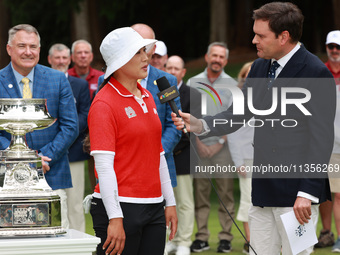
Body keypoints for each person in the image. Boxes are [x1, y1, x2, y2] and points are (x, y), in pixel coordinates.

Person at [171, 2, 336, 255]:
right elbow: (239, 112)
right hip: (262, 188)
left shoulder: (315, 72)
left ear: (284, 37)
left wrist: (306, 192)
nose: (253, 40)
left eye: (261, 35)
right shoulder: (260, 67)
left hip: (297, 195)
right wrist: (203, 124)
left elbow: (321, 139)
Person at [85, 27, 177, 255]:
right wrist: (115, 218)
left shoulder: (147, 95)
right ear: (119, 60)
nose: (146, 58)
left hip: (154, 206)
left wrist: (170, 202)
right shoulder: (103, 104)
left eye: (144, 51)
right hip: (120, 208)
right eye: (137, 53)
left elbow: (158, 154)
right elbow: (104, 168)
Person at [0, 24, 79, 229]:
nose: (28, 52)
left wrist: (42, 158)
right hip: (7, 177)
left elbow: (70, 126)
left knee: (55, 237)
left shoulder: (58, 79)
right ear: (9, 49)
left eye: (33, 47)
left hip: (51, 172)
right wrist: (19, 158)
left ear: (39, 50)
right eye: (22, 46)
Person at [186, 41, 237, 253]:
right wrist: (198, 141)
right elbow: (190, 115)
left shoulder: (232, 84)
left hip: (223, 148)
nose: (217, 59)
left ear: (225, 60)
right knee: (201, 194)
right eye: (213, 55)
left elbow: (235, 118)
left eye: (221, 57)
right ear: (207, 57)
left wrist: (220, 142)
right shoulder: (192, 82)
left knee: (226, 194)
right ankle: (202, 237)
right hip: (198, 146)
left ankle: (225, 237)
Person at [48, 43, 91, 233]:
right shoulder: (41, 83)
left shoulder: (80, 85)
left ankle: (78, 246)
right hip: (47, 153)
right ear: (49, 60)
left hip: (73, 152)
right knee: (52, 203)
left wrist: (67, 132)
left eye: (64, 58)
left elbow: (85, 114)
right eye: (57, 58)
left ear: (69, 59)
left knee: (74, 203)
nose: (61, 61)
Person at [164, 55, 201, 255]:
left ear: (183, 72)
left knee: (185, 202)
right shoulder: (161, 92)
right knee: (168, 201)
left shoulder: (192, 94)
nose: (172, 71)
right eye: (168, 67)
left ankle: (184, 242)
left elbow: (192, 128)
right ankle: (171, 239)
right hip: (164, 156)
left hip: (184, 154)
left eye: (176, 68)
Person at [315, 30, 340, 252]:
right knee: (325, 191)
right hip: (324, 143)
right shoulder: (319, 72)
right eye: (331, 46)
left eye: (338, 47)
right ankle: (326, 232)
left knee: (339, 192)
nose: (335, 51)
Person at [68, 39, 104, 191]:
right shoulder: (65, 77)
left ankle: (97, 193)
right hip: (76, 132)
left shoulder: (101, 77)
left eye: (86, 53)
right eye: (79, 53)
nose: (83, 56)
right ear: (72, 57)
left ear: (91, 56)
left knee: (98, 168)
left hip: (98, 131)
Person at [227, 61, 254, 254]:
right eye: (247, 75)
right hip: (246, 159)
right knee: (248, 201)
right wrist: (238, 162)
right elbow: (232, 134)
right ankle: (250, 242)